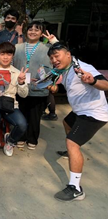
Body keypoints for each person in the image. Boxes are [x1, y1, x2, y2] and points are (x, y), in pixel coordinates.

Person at [47, 43, 108, 202]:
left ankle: (76, 189)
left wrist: (93, 81)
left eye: (56, 56)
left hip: (94, 113)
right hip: (80, 110)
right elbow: (58, 87)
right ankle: (71, 152)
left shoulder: (82, 67)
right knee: (67, 123)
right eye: (51, 58)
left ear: (68, 54)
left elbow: (106, 85)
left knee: (72, 143)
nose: (54, 60)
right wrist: (53, 88)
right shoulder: (66, 67)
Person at [13, 21, 57, 149]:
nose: (33, 32)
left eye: (37, 30)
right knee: (21, 113)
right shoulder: (18, 47)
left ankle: (32, 139)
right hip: (21, 86)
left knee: (35, 115)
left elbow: (63, 52)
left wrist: (54, 41)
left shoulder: (48, 48)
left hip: (39, 87)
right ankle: (21, 137)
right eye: (30, 29)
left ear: (41, 33)